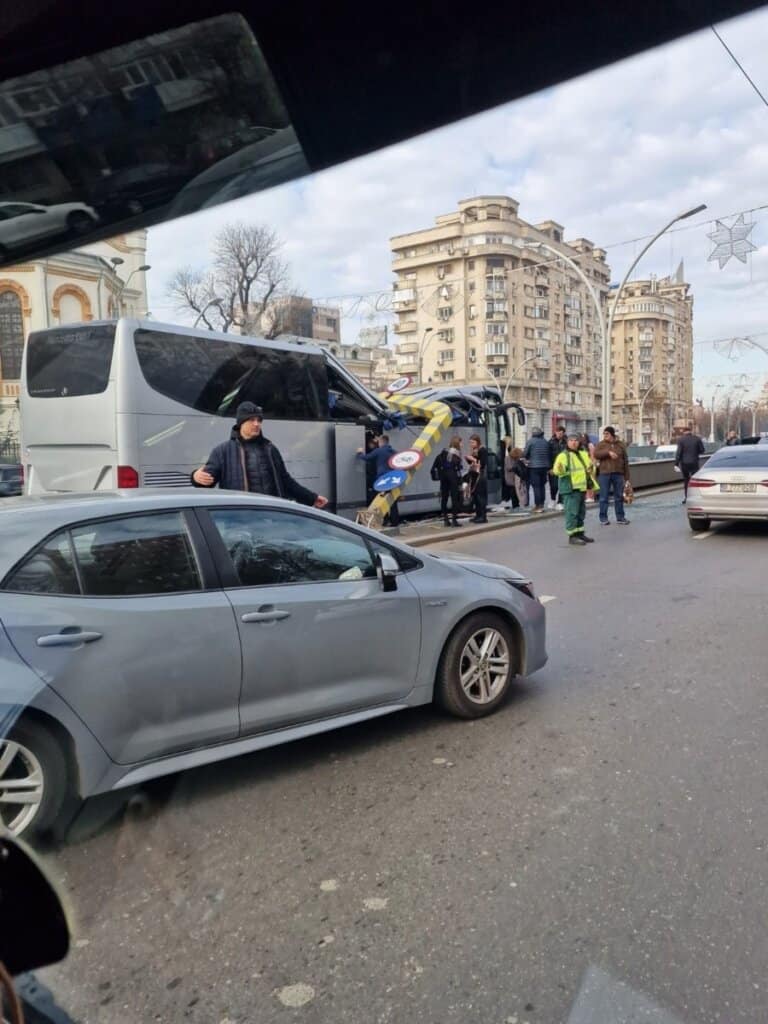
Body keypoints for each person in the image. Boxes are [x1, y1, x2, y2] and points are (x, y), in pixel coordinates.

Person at [192, 401, 328, 507]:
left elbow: (286, 482)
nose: (256, 424)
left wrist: (312, 497)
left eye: (259, 420)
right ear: (240, 423)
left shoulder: (270, 449)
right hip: (240, 519)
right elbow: (205, 483)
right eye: (251, 420)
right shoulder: (223, 451)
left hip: (273, 516)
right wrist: (195, 477)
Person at [552, 433, 598, 546]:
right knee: (572, 513)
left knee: (581, 513)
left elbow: (589, 469)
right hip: (570, 488)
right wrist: (561, 469)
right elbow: (557, 471)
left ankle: (580, 533)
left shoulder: (583, 454)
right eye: (571, 440)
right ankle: (572, 537)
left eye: (576, 440)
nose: (574, 442)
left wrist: (592, 468)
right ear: (567, 442)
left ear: (579, 442)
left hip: (581, 488)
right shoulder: (563, 456)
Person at [356, 434, 400, 525]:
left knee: (381, 500)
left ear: (380, 442)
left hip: (382, 480)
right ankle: (395, 522)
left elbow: (367, 458)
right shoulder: (394, 452)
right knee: (392, 501)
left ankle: (384, 520)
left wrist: (360, 453)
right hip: (393, 479)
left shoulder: (379, 451)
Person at [594, 426, 631, 526]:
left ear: (612, 434)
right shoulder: (601, 444)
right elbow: (596, 454)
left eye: (607, 434)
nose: (605, 436)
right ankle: (603, 518)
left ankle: (620, 517)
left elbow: (626, 461)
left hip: (618, 474)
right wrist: (608, 453)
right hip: (604, 474)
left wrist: (627, 478)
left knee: (619, 496)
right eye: (604, 434)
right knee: (603, 497)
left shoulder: (620, 445)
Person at [434, 435, 464, 527]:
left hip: (444, 478)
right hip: (453, 478)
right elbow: (458, 468)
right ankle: (454, 520)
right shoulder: (456, 454)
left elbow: (437, 464)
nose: (462, 444)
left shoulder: (443, 453)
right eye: (461, 442)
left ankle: (446, 520)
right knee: (455, 498)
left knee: (444, 498)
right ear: (457, 443)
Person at [523, 427, 552, 513]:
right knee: (542, 485)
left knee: (536, 486)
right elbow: (549, 454)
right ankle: (542, 504)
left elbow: (525, 454)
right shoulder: (545, 442)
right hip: (545, 467)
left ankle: (538, 506)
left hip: (534, 467)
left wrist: (528, 458)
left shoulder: (530, 441)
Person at [675, 426, 705, 503]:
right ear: (690, 431)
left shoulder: (681, 440)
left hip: (684, 463)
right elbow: (702, 450)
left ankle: (686, 497)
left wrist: (676, 464)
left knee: (686, 480)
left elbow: (679, 453)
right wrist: (695, 453)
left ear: (684, 432)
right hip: (694, 462)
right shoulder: (697, 439)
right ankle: (696, 496)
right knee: (695, 480)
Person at [467, 434, 489, 523]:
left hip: (480, 476)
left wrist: (473, 460)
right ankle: (478, 515)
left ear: (477, 442)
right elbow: (470, 463)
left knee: (480, 497)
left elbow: (482, 464)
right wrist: (469, 459)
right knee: (475, 496)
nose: (471, 444)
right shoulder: (474, 450)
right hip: (474, 475)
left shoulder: (482, 450)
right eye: (470, 442)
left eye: (473, 442)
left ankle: (483, 517)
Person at [548, 424, 568, 508]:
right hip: (553, 466)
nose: (560, 434)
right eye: (558, 432)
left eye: (561, 433)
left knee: (562, 485)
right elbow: (547, 455)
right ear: (555, 432)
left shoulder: (566, 442)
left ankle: (560, 502)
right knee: (553, 485)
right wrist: (549, 468)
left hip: (563, 467)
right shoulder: (551, 442)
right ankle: (552, 499)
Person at [502, 440, 521, 510]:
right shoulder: (507, 458)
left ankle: (517, 505)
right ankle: (515, 505)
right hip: (510, 479)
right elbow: (509, 467)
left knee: (516, 492)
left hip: (515, 478)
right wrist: (516, 467)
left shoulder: (515, 459)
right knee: (513, 492)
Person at [581, 433, 597, 504]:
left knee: (591, 481)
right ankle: (587, 496)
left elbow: (593, 456)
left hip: (590, 465)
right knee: (586, 481)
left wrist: (592, 465)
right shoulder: (582, 446)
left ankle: (591, 496)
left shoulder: (590, 445)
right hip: (584, 466)